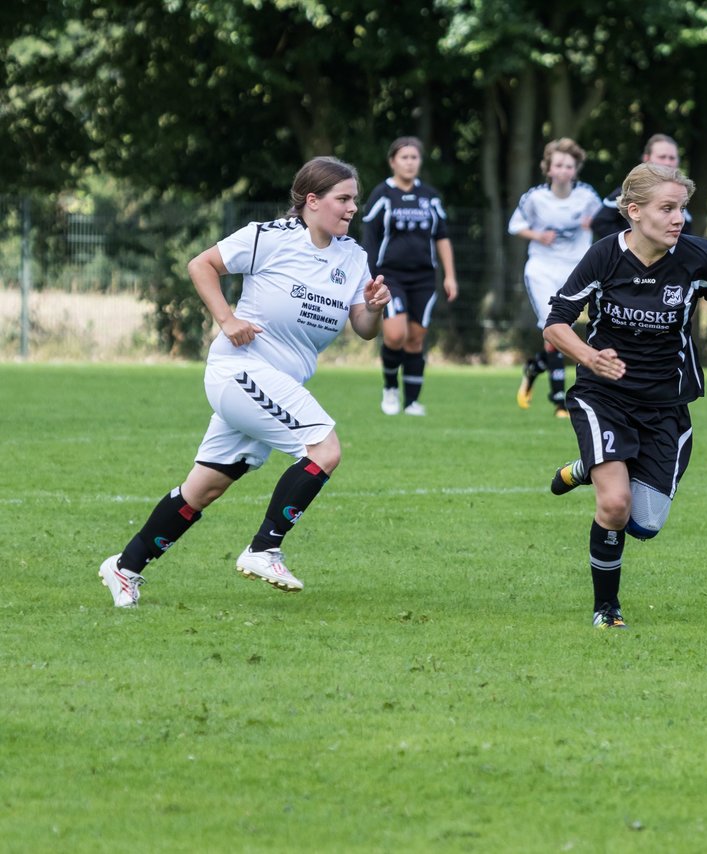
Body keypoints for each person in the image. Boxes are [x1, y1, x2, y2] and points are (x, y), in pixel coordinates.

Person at [97, 156, 392, 607]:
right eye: (344, 199)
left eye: (356, 199)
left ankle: (125, 566)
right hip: (241, 370)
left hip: (277, 382)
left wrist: (373, 306)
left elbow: (364, 328)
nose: (354, 208)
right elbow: (202, 265)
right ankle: (264, 548)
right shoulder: (270, 237)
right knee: (323, 447)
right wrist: (226, 318)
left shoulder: (352, 257)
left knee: (206, 487)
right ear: (312, 201)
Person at [543, 163, 707, 629]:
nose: (678, 218)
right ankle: (607, 610)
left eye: (681, 208)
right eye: (668, 208)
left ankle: (585, 468)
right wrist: (590, 357)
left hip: (666, 405)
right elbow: (556, 322)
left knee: (643, 524)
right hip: (603, 396)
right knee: (615, 505)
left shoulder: (697, 258)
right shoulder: (604, 256)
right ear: (635, 212)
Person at [361, 136, 458, 416]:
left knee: (416, 338)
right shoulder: (382, 194)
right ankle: (390, 389)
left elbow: (442, 237)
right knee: (395, 335)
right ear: (393, 161)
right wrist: (368, 275)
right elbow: (370, 237)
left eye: (414, 157)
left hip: (424, 278)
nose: (409, 162)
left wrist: (450, 275)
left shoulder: (430, 196)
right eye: (404, 157)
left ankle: (412, 402)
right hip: (389, 276)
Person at [508, 138, 602, 417]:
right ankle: (560, 400)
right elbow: (515, 225)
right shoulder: (535, 197)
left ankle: (534, 368)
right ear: (548, 169)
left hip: (578, 269)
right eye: (558, 165)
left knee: (566, 333)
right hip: (542, 268)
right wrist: (538, 235)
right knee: (556, 327)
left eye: (569, 166)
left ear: (576, 170)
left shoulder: (587, 196)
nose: (563, 170)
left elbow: (609, 219)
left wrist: (594, 222)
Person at [589, 133, 684, 242]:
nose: (667, 163)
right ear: (646, 158)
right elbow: (600, 223)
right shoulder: (629, 191)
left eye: (672, 158)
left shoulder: (681, 196)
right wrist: (630, 244)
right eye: (662, 157)